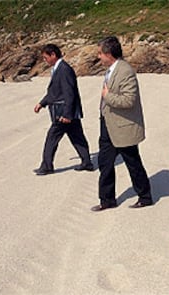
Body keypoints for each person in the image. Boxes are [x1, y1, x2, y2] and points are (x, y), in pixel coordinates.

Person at [91, 36, 153, 211]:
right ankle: (107, 200)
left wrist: (106, 96)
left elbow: (128, 100)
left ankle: (145, 196)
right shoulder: (110, 69)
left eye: (100, 53)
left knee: (133, 163)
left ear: (109, 54)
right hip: (108, 124)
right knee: (105, 162)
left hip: (123, 127)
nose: (98, 56)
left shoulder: (125, 71)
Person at [33, 44, 93, 175]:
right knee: (77, 137)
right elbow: (54, 92)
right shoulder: (58, 68)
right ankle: (87, 162)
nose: (45, 61)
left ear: (53, 55)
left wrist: (67, 114)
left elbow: (69, 93)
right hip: (68, 111)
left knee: (52, 138)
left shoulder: (64, 69)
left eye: (45, 58)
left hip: (63, 112)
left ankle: (47, 166)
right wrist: (42, 103)